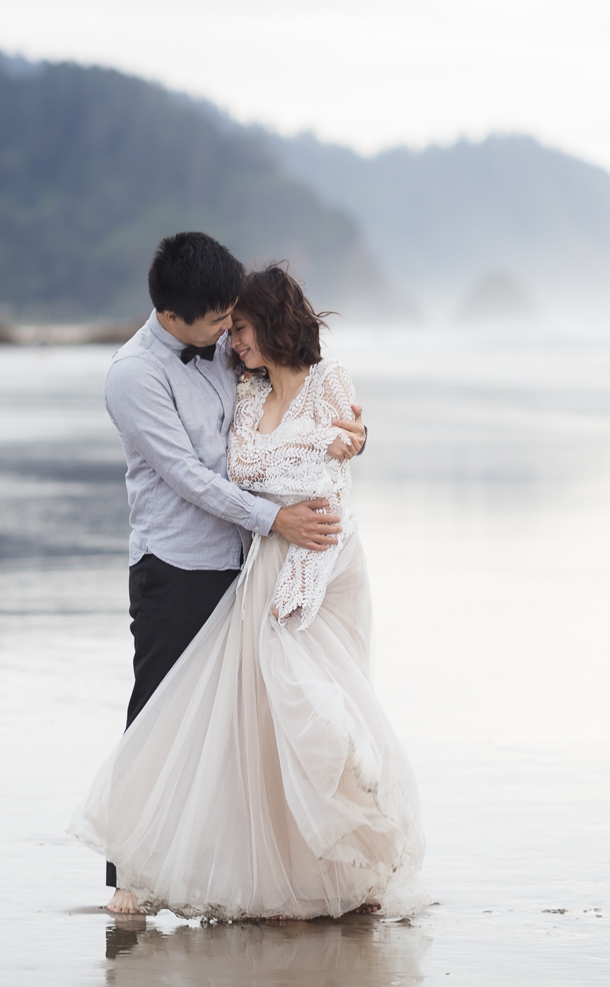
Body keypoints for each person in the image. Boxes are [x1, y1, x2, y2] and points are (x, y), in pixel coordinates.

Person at [73, 263, 425, 920]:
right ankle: (133, 872)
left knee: (290, 700)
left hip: (308, 555)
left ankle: (331, 856)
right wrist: (289, 497)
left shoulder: (295, 375)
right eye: (224, 327)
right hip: (191, 559)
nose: (228, 341)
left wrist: (355, 441)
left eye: (237, 327)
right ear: (180, 317)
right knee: (172, 708)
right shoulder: (155, 376)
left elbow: (334, 457)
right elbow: (202, 473)